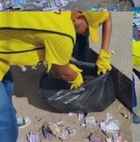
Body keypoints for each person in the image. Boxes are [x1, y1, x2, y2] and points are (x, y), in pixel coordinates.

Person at [0, 12, 93, 141]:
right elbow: (63, 72)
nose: (84, 33)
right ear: (78, 18)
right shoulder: (64, 32)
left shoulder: (61, 14)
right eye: (87, 29)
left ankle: (11, 119)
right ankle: (7, 128)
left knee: (7, 84)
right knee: (3, 117)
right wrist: (76, 77)